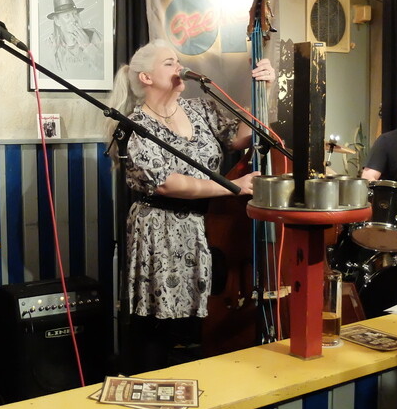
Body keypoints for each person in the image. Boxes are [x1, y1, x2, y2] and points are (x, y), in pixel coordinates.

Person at [106, 39, 275, 372]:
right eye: (169, 63)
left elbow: (240, 137)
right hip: (159, 227)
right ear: (146, 77)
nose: (179, 67)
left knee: (198, 322)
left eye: (178, 61)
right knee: (158, 323)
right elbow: (165, 182)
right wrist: (231, 187)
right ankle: (149, 384)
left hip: (204, 225)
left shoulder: (200, 108)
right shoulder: (135, 125)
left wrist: (263, 91)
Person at [46, 0, 104, 78]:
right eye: (67, 16)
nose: (73, 19)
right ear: (57, 21)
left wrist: (88, 47)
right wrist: (51, 55)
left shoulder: (93, 35)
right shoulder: (52, 45)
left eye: (75, 14)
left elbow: (108, 65)